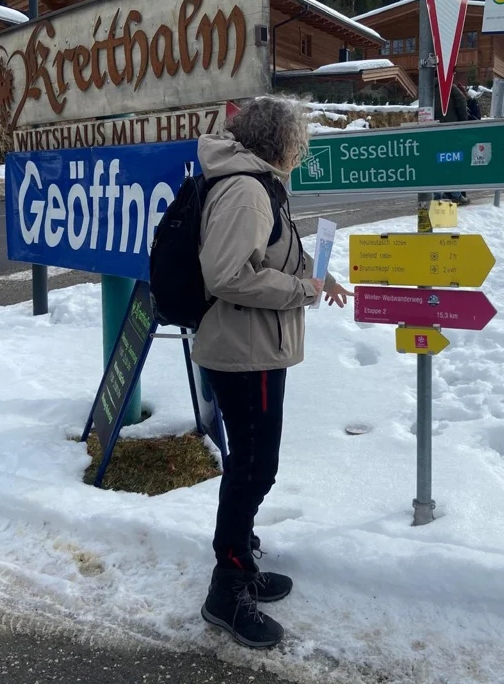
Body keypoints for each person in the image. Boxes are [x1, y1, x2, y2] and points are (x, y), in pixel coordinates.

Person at [192, 96, 352, 649]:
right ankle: (227, 584)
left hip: (254, 345)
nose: (300, 152)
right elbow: (227, 275)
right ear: (276, 142)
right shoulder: (246, 191)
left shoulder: (256, 184)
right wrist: (302, 290)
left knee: (254, 462)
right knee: (254, 468)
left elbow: (270, 258)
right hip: (244, 350)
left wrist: (313, 275)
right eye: (297, 142)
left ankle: (241, 556)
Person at [435, 81, 471, 203]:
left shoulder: (426, 88)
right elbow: (461, 102)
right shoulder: (449, 87)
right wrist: (462, 124)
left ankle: (437, 195)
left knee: (436, 164)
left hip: (433, 133)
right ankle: (455, 194)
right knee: (452, 162)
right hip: (450, 131)